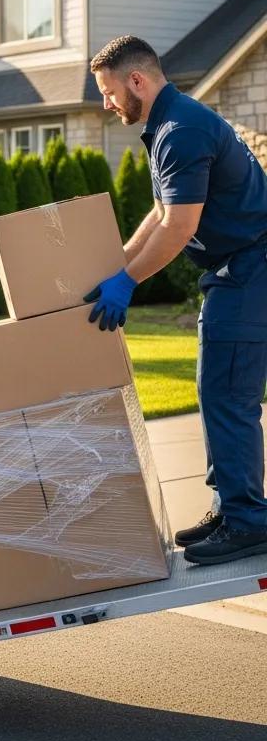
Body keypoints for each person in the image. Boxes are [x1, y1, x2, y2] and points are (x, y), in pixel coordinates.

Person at [85, 35, 267, 566]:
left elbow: (179, 226)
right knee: (217, 394)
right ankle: (232, 505)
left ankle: (248, 520)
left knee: (228, 395)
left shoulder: (180, 129)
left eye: (108, 91)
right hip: (238, 271)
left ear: (136, 80)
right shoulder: (169, 123)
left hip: (251, 269)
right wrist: (118, 265)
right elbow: (162, 212)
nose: (107, 103)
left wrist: (128, 283)